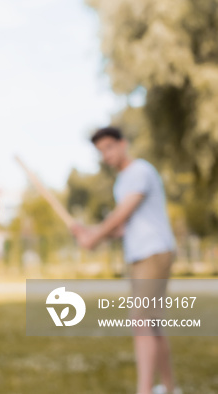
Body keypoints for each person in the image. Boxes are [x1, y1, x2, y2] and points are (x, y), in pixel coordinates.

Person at [71, 126, 179, 394]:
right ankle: (169, 388)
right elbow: (121, 228)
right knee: (152, 324)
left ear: (123, 143)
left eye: (109, 147)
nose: (106, 155)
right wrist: (89, 232)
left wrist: (94, 238)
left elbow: (121, 215)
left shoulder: (139, 171)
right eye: (100, 151)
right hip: (139, 254)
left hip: (154, 252)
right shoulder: (121, 182)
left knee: (141, 320)